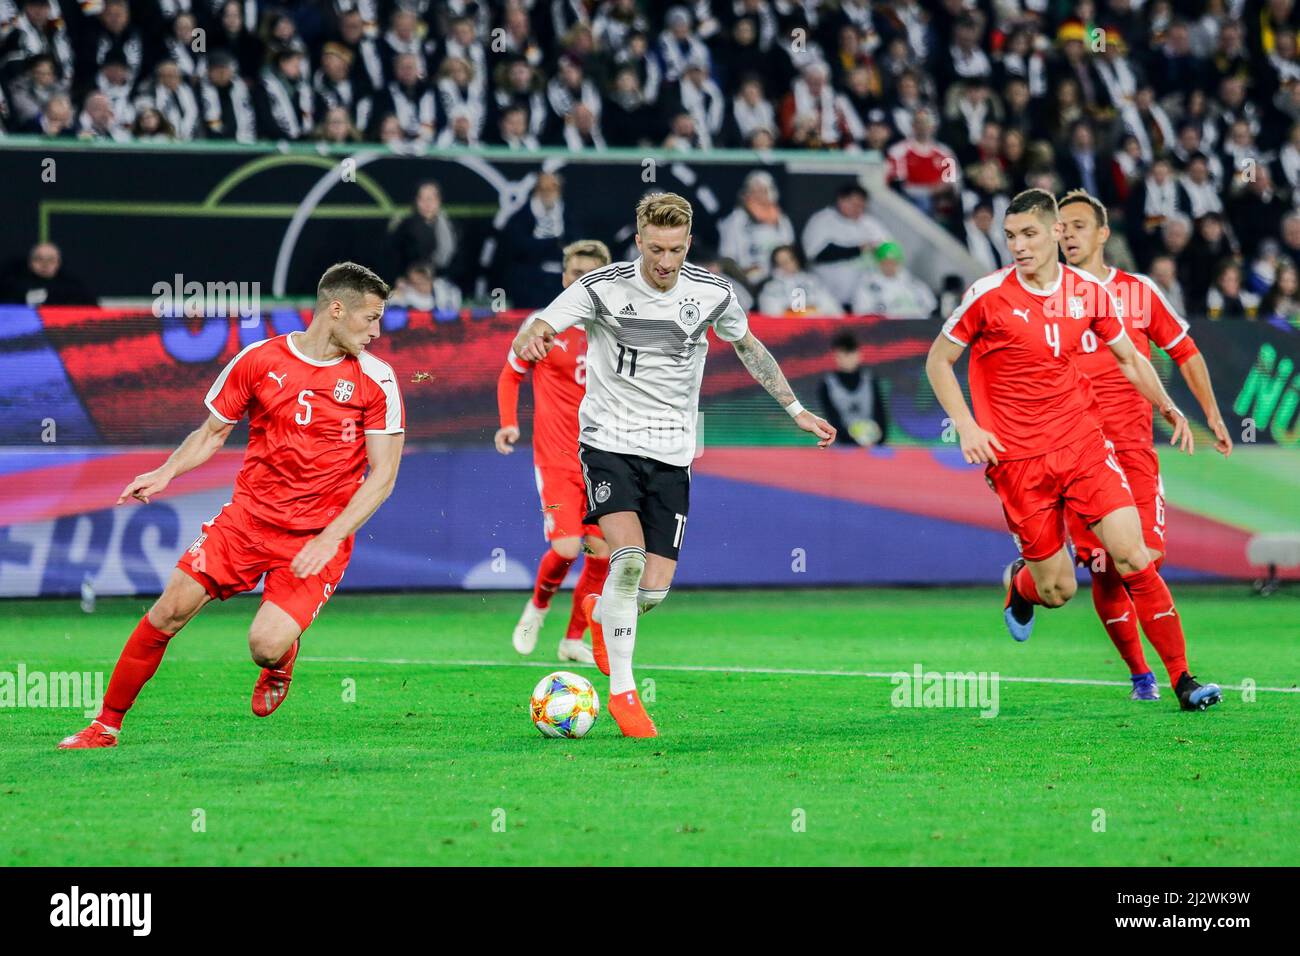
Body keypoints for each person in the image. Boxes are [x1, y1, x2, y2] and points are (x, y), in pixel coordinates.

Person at [511, 192, 836, 736]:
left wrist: (795, 409)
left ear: (689, 244)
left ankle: (607, 609)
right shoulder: (600, 288)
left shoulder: (712, 293)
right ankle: (623, 693)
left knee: (653, 590)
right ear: (639, 242)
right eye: (656, 248)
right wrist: (534, 334)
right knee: (628, 559)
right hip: (607, 442)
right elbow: (540, 326)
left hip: (672, 452)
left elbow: (750, 347)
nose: (665, 262)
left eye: (676, 249)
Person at [58, 263, 405, 748]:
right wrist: (166, 472)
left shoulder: (376, 379)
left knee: (263, 646)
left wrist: (330, 538)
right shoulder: (259, 360)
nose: (377, 331)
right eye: (370, 318)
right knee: (168, 611)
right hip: (245, 522)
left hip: (315, 537)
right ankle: (105, 725)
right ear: (336, 309)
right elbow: (211, 433)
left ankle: (280, 660)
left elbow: (383, 475)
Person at [924, 188, 1222, 712]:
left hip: (1084, 446)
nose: (1018, 245)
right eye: (1011, 236)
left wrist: (1168, 406)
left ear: (1055, 233)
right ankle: (1021, 585)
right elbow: (938, 361)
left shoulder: (1087, 291)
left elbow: (1130, 358)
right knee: (1060, 589)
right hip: (1017, 460)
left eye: (1029, 234)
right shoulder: (988, 294)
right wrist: (967, 426)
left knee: (1132, 556)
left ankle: (1183, 680)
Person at [1057, 189, 1233, 702]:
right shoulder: (1044, 298)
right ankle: (1153, 676)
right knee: (1107, 568)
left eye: (1077, 226)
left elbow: (1185, 350)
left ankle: (1173, 675)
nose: (1066, 235)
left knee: (1142, 558)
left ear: (1102, 234)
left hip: (1134, 450)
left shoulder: (1138, 293)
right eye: (1061, 227)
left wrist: (1212, 413)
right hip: (1079, 454)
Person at [496, 240, 614, 664]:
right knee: (567, 548)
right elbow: (510, 375)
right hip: (557, 456)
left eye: (589, 277)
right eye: (573, 276)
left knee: (602, 552)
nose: (579, 283)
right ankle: (537, 609)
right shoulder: (543, 326)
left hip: (604, 458)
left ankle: (572, 640)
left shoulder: (614, 328)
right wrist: (509, 422)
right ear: (564, 278)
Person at [801, 183, 891, 309]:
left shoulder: (870, 223)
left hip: (863, 297)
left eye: (861, 205)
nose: (857, 209)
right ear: (841, 200)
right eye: (854, 204)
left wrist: (880, 250)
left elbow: (890, 251)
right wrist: (859, 249)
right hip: (827, 296)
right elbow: (816, 254)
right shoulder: (822, 220)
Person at [816, 331, 887, 447]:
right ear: (836, 356)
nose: (847, 358)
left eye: (851, 353)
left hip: (871, 445)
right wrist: (852, 443)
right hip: (842, 446)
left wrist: (878, 441)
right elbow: (832, 419)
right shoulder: (826, 385)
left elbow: (880, 413)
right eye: (843, 354)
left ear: (859, 354)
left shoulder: (870, 380)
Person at [850, 241, 937, 318]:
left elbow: (932, 309)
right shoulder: (867, 286)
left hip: (917, 331)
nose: (889, 266)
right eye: (885, 262)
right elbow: (862, 314)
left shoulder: (914, 285)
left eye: (893, 262)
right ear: (878, 262)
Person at [0, 242, 93, 305]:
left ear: (59, 263)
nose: (45, 264)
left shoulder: (72, 288)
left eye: (50, 260)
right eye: (39, 259)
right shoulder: (13, 286)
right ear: (30, 262)